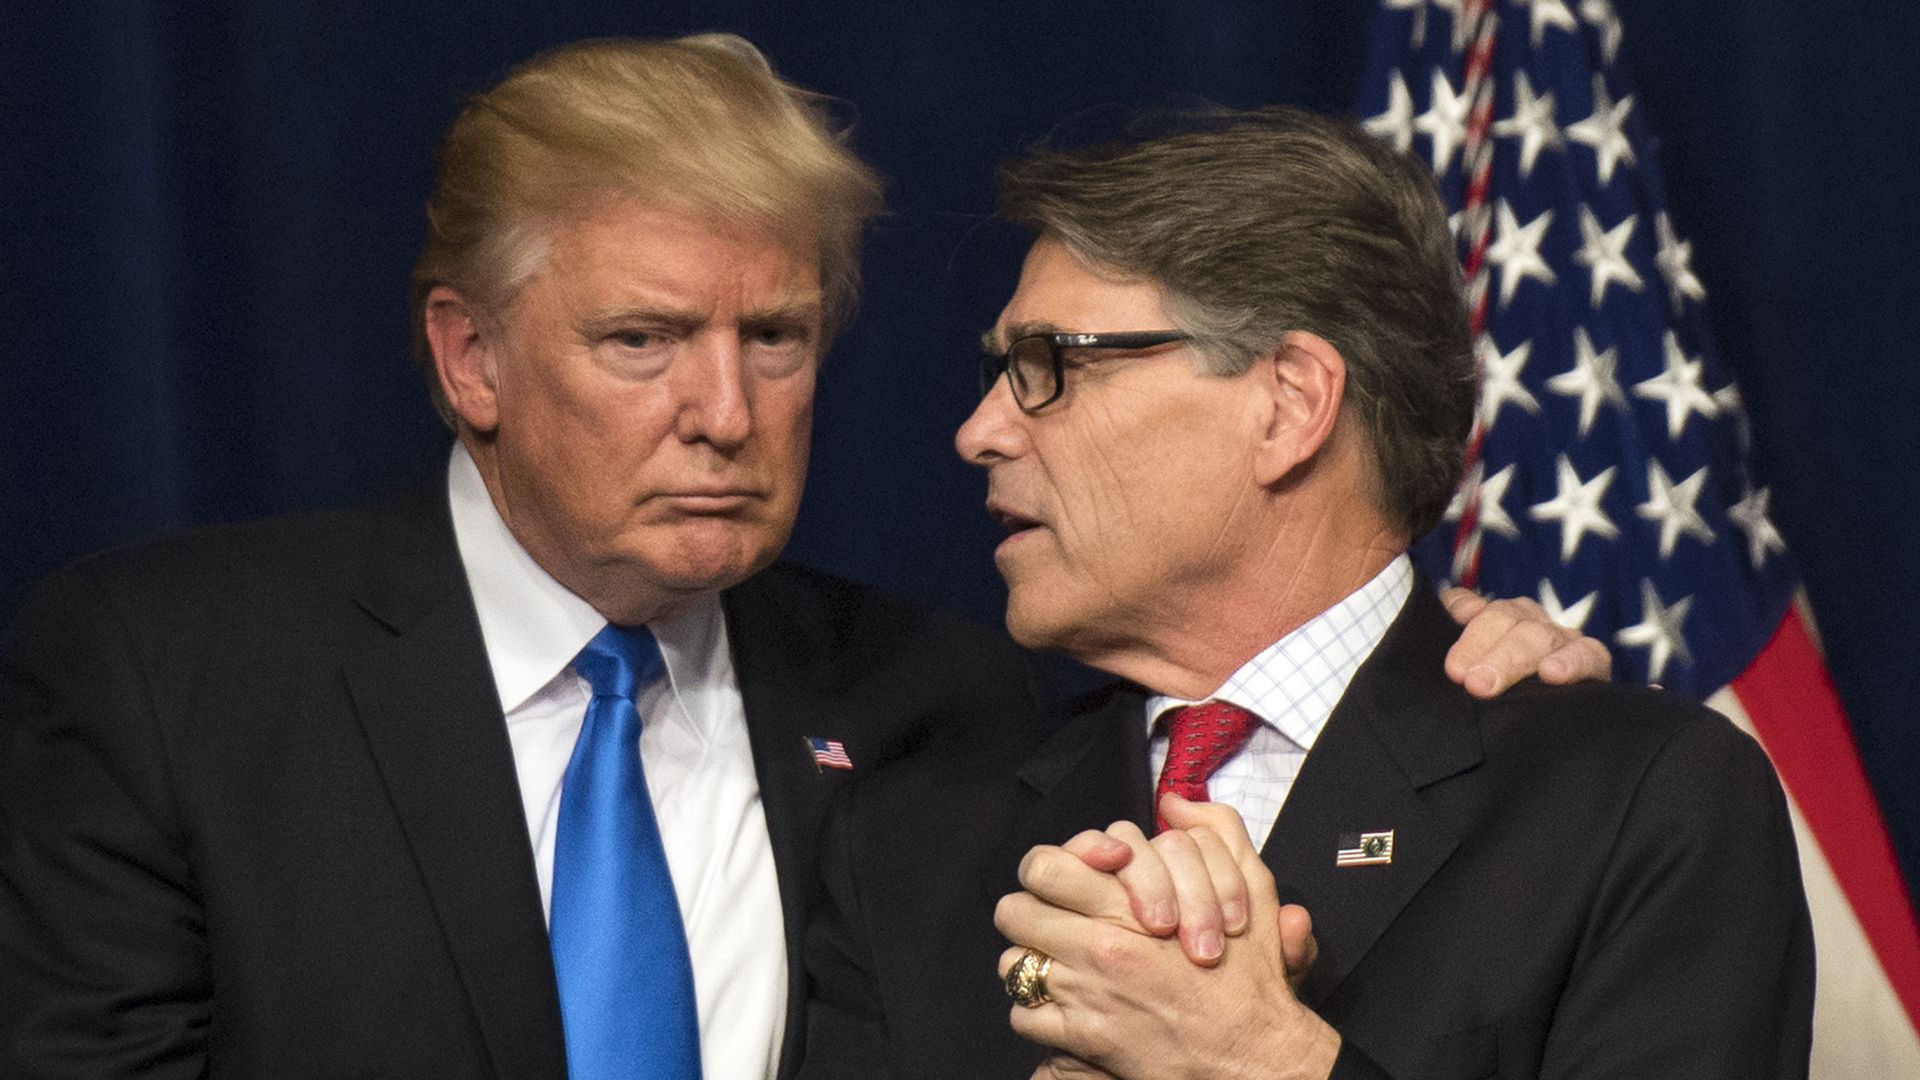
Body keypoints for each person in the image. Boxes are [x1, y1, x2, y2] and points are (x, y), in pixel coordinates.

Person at [0, 37, 1605, 1080]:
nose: (723, 410)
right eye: (644, 340)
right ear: (470, 359)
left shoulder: (952, 706)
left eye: (775, 336)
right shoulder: (171, 677)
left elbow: (1291, 676)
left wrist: (1437, 647)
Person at [800, 106, 1813, 1079]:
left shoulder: (1635, 804)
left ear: (1288, 405)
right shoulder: (908, 844)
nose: (981, 431)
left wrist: (1259, 1062)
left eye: (1047, 366)